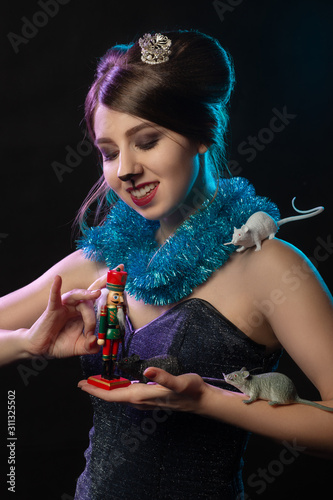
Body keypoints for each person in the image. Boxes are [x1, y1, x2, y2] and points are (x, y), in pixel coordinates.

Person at [1, 29, 332, 500]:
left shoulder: (269, 268)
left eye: (148, 140)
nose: (125, 170)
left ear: (202, 133)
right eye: (109, 152)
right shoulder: (103, 259)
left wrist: (207, 401)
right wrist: (26, 342)